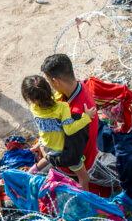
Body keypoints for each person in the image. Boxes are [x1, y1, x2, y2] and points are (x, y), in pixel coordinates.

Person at [21, 74, 96, 188]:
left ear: (30, 98)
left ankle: (30, 173)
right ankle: (84, 202)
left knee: (48, 157)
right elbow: (69, 130)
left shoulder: (33, 108)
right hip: (63, 151)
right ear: (49, 88)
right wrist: (87, 117)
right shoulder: (62, 107)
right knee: (84, 178)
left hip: (46, 144)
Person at [41, 55, 103, 190]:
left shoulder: (76, 114)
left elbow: (71, 157)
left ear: (55, 81)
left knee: (39, 180)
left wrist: (48, 157)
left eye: (48, 81)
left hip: (78, 165)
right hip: (85, 150)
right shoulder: (80, 86)